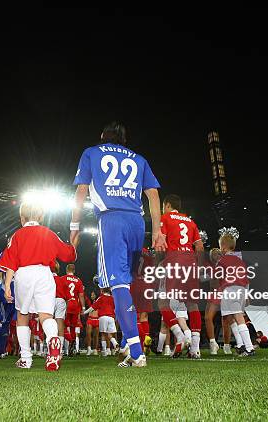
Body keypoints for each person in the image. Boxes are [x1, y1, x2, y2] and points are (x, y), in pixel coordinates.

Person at [70, 121, 166, 368]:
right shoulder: (138, 158)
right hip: (136, 221)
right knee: (130, 282)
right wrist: (157, 230)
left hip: (111, 220)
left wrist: (74, 225)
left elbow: (82, 190)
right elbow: (153, 194)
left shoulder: (91, 152)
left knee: (118, 283)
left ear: (103, 136)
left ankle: (136, 351)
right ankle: (127, 344)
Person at [0, 202, 77, 371]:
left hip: (24, 274)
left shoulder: (17, 235)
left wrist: (6, 285)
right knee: (46, 315)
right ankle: (53, 341)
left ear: (22, 218)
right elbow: (68, 255)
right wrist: (73, 244)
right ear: (41, 217)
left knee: (22, 315)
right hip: (44, 274)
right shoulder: (48, 233)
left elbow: (11, 263)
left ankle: (26, 359)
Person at [159, 194, 205, 358]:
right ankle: (195, 348)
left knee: (163, 302)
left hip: (174, 260)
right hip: (191, 262)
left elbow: (161, 242)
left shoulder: (165, 218)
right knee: (192, 304)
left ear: (167, 205)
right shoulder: (191, 222)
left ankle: (180, 336)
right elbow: (199, 246)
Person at [216, 232, 255, 357]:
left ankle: (248, 347)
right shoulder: (240, 261)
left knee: (237, 317)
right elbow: (247, 279)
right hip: (242, 290)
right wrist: (247, 295)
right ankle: (240, 344)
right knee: (229, 317)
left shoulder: (222, 260)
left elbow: (216, 276)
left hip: (230, 290)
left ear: (222, 247)